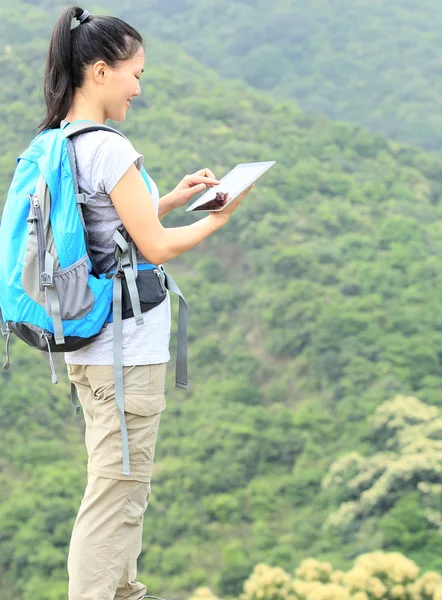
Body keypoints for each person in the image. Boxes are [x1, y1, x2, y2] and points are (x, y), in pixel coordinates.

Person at [39, 6, 254, 599]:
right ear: (101, 72)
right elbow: (155, 247)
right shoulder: (109, 147)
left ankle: (122, 589)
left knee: (121, 487)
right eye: (135, 74)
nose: (138, 87)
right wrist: (220, 217)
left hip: (90, 347)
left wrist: (169, 198)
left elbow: (110, 232)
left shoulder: (61, 139)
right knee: (115, 494)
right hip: (122, 354)